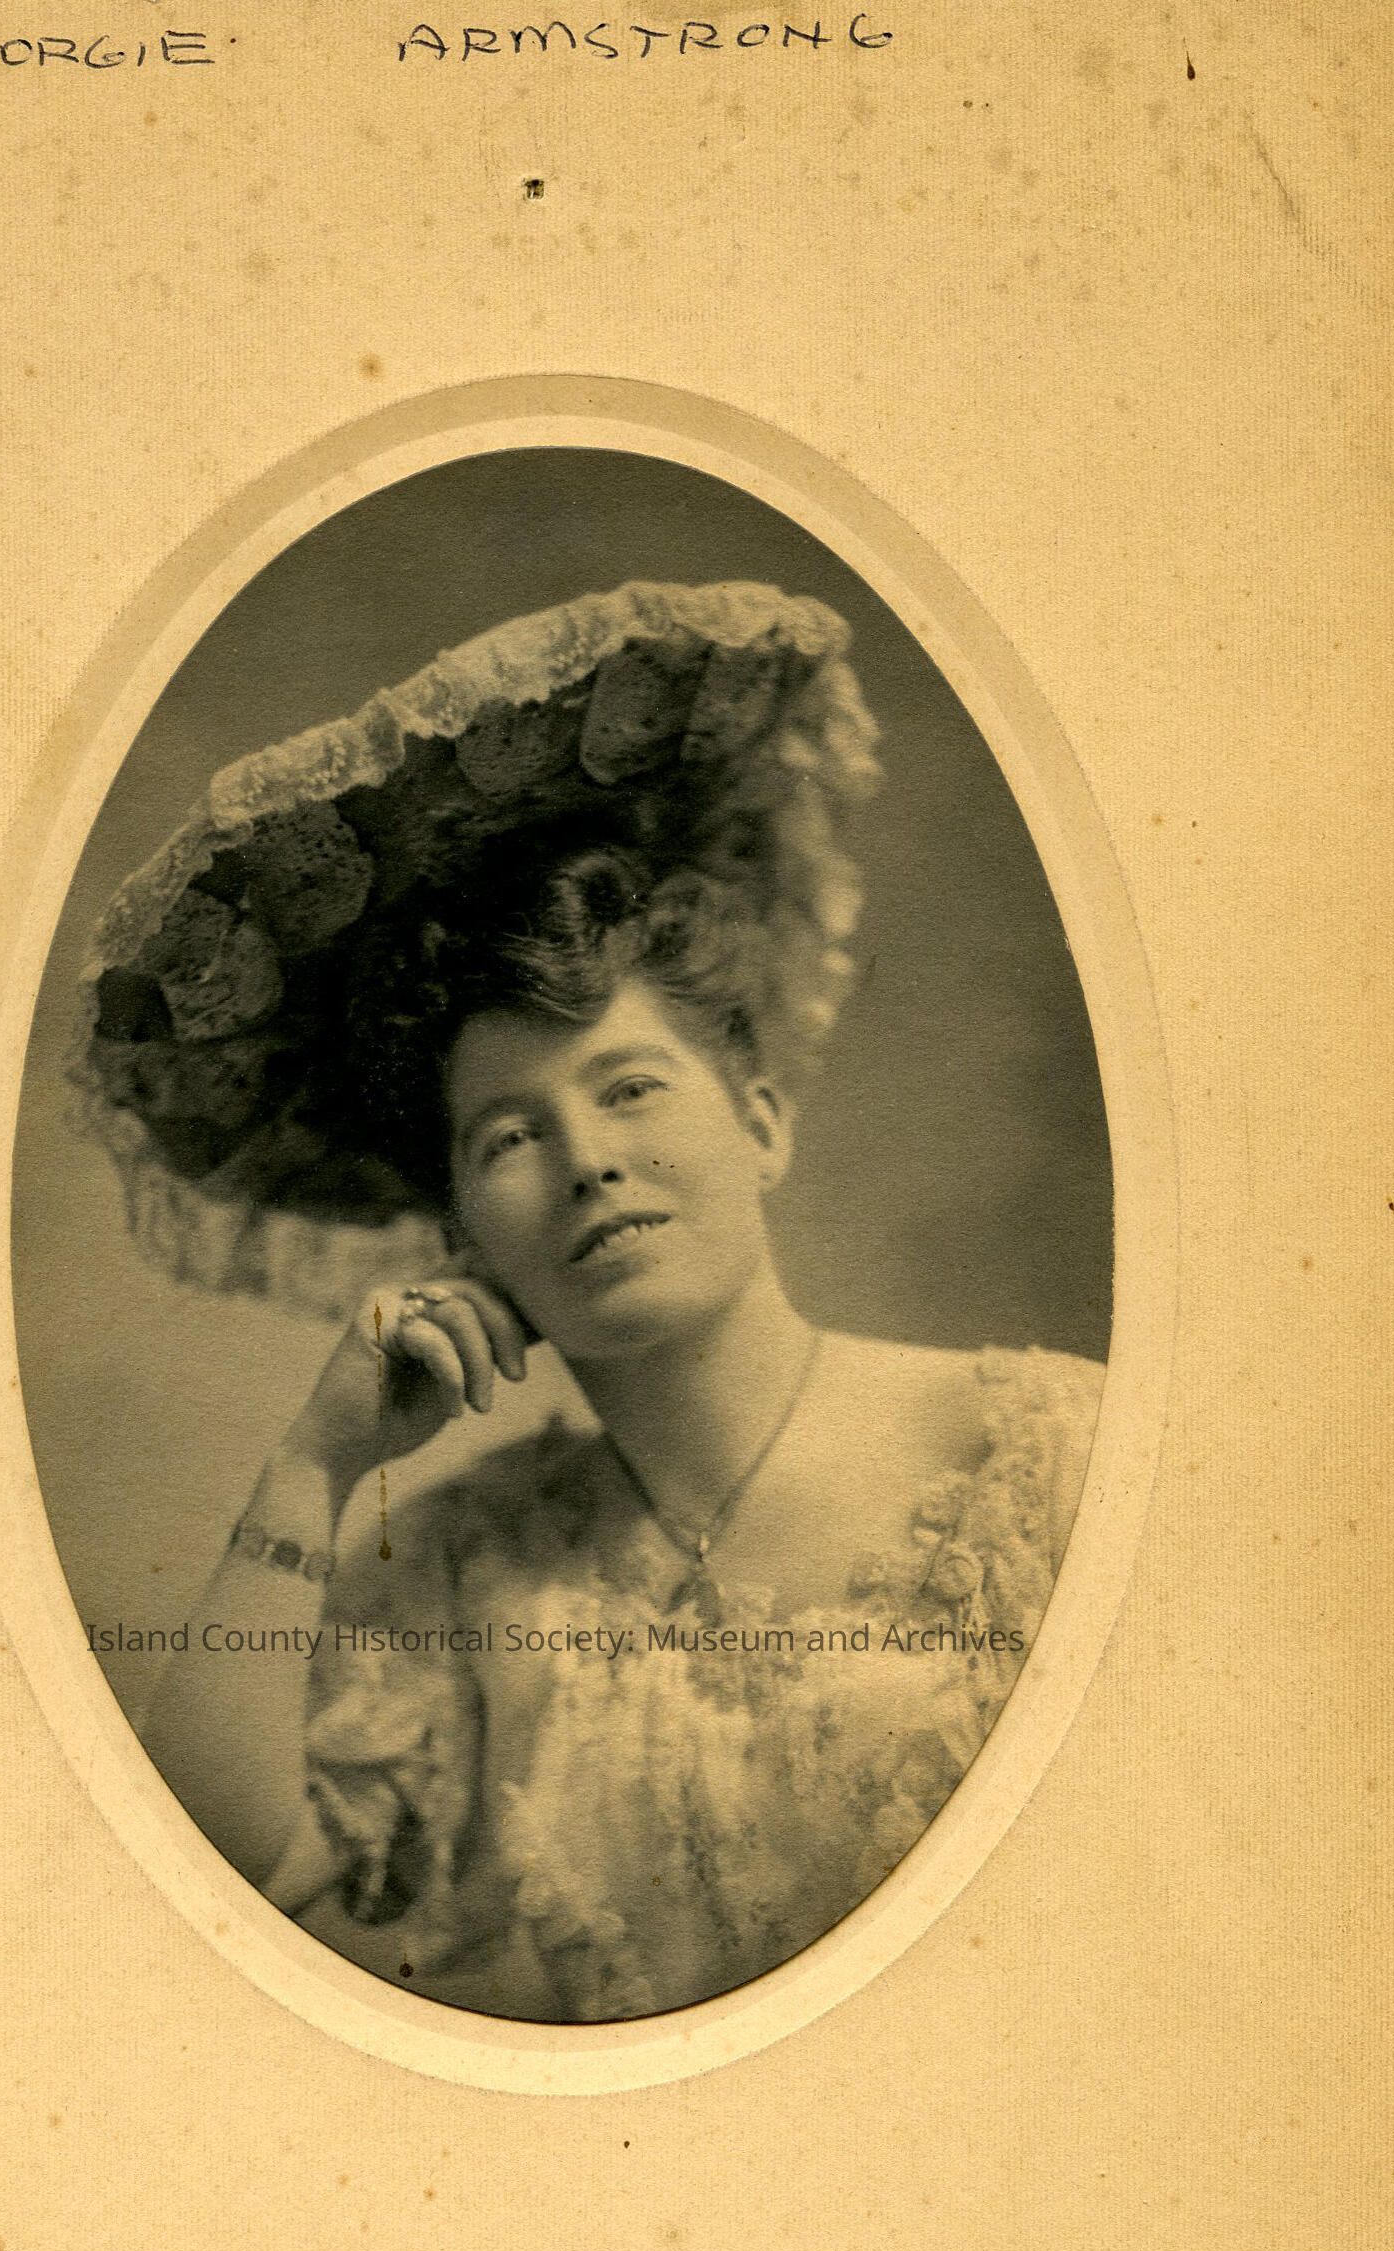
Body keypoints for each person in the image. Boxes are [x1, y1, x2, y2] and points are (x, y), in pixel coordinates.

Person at [74, 582, 1103, 2022]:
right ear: (460, 1238)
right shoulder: (459, 1572)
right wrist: (313, 1467)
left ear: (759, 1122)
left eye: (630, 1087)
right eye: (510, 1135)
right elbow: (224, 1872)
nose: (587, 1161)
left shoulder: (1044, 1453)